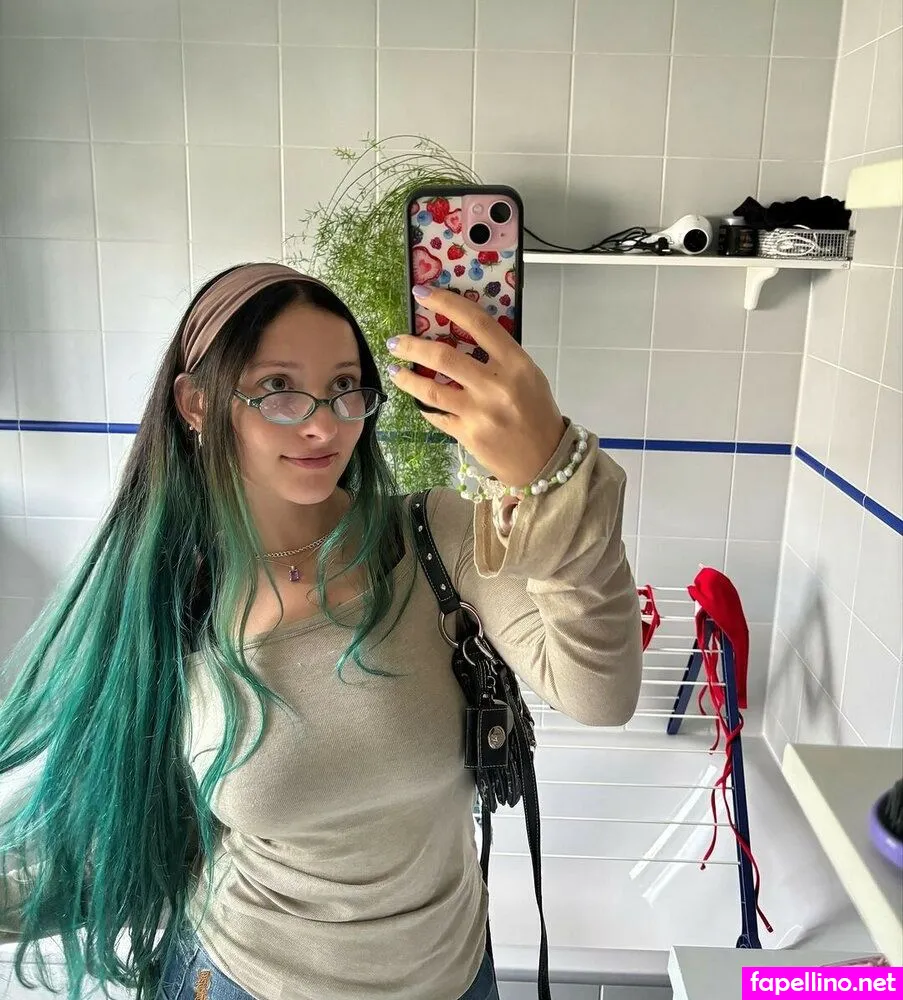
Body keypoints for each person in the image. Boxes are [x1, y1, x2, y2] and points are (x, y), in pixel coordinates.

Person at [0, 263, 643, 1000]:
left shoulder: (436, 541)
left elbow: (601, 695)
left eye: (344, 387)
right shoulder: (171, 603)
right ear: (196, 403)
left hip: (455, 977)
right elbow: (104, 830)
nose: (323, 424)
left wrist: (552, 475)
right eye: (278, 387)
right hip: (245, 978)